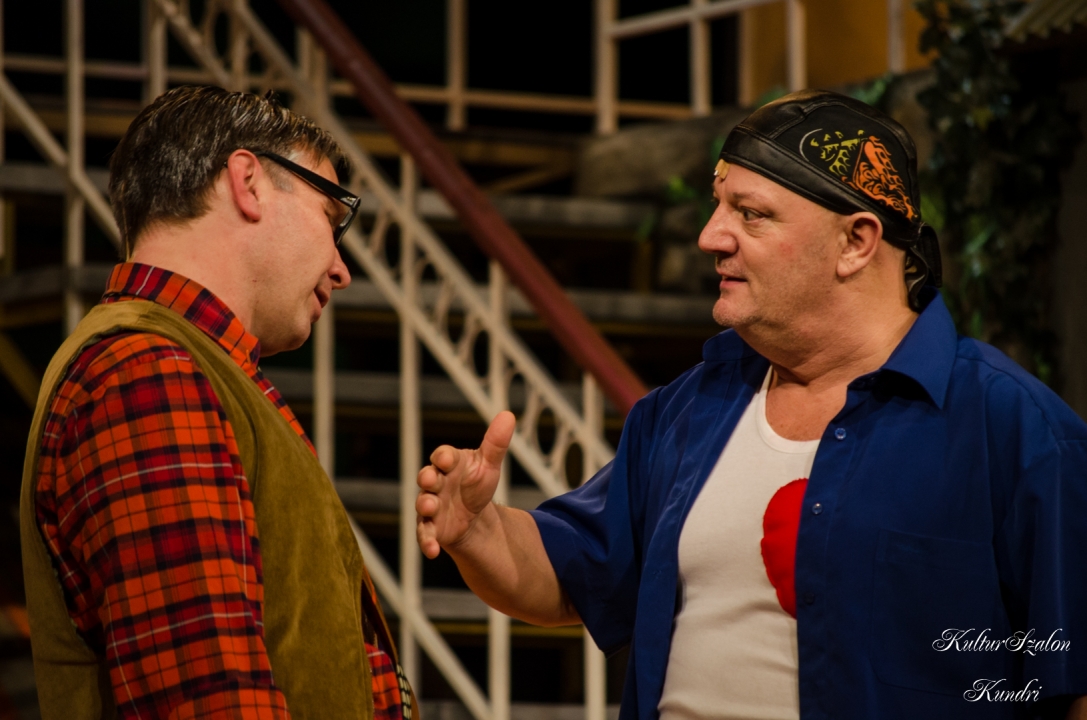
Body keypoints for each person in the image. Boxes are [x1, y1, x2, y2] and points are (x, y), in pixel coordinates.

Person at [416, 90, 1087, 720]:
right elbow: (575, 574)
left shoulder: (1016, 433)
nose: (710, 236)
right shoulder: (688, 410)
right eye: (717, 207)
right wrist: (479, 531)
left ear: (855, 242)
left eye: (751, 213)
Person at [21, 86, 413, 720]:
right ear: (248, 182)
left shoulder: (191, 369)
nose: (341, 269)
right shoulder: (146, 372)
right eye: (330, 216)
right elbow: (209, 698)